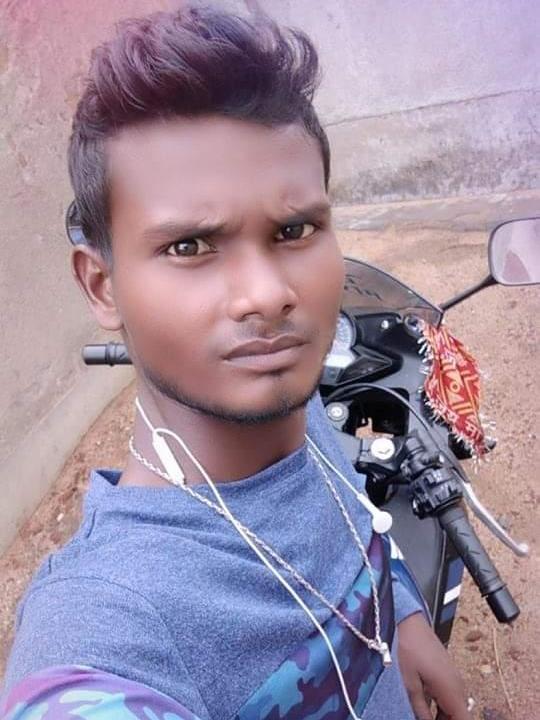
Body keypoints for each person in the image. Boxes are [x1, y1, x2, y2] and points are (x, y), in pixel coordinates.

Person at [1, 5, 469, 719]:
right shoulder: (107, 628)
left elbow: (352, 514)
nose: (267, 294)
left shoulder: (295, 406)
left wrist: (400, 610)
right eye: (189, 246)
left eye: (294, 229)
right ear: (102, 286)